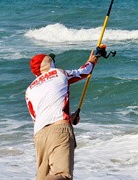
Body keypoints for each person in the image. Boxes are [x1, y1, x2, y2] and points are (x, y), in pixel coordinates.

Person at [25, 50, 99, 180]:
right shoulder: (59, 73)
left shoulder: (29, 90)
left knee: (44, 177)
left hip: (39, 135)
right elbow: (84, 72)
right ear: (49, 63)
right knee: (62, 176)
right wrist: (92, 61)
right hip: (59, 131)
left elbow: (38, 117)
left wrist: (69, 117)